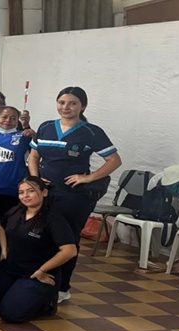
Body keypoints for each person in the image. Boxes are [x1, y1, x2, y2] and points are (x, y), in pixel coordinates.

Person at [28, 87, 121, 303]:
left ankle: (62, 288)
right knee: (42, 236)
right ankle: (42, 280)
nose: (66, 107)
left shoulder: (91, 131)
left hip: (74, 197)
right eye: (62, 102)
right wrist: (35, 179)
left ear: (82, 106)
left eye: (72, 103)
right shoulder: (45, 127)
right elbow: (33, 156)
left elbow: (114, 160)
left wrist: (88, 178)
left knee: (67, 240)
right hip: (45, 194)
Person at [0, 177, 77, 322]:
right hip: (11, 268)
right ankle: (16, 293)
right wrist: (4, 250)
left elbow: (70, 250)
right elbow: (0, 225)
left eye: (31, 191)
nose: (25, 196)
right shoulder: (16, 211)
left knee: (11, 314)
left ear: (44, 192)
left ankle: (47, 303)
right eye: (21, 192)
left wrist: (42, 270)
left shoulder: (53, 218)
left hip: (37, 274)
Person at [0, 106, 32, 260]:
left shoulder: (23, 136)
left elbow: (37, 150)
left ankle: (2, 258)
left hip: (10, 192)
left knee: (6, 226)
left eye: (13, 118)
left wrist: (29, 128)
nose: (8, 121)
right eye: (4, 117)